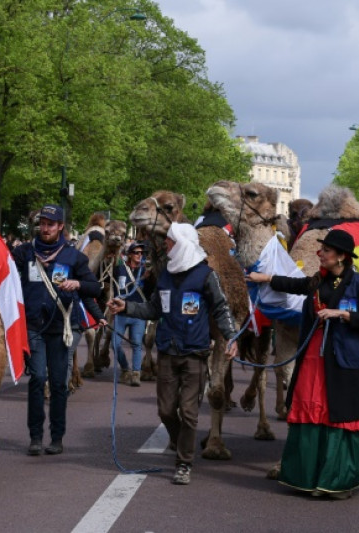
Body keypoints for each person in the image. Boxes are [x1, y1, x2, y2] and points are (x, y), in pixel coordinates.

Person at [246, 229, 359, 499]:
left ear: (341, 256)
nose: (320, 254)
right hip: (314, 357)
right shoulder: (318, 281)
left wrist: (342, 314)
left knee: (339, 414)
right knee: (310, 407)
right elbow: (294, 284)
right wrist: (265, 278)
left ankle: (337, 481)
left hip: (345, 361)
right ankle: (307, 477)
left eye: (326, 251)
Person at [109, 223, 239, 485]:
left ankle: (184, 463)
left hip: (194, 353)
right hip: (168, 351)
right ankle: (182, 443)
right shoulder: (166, 275)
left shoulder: (205, 275)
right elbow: (153, 309)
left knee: (189, 412)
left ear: (181, 243)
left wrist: (231, 336)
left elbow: (221, 307)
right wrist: (126, 307)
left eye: (169, 241)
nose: (165, 246)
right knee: (166, 411)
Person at [13, 204, 101, 456]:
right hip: (34, 326)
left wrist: (78, 283)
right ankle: (35, 437)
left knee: (59, 384)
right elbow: (6, 277)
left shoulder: (73, 257)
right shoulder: (24, 252)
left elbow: (94, 288)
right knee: (37, 378)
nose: (45, 228)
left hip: (62, 327)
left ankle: (57, 437)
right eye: (42, 223)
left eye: (50, 224)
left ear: (61, 226)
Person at [113, 241, 149, 386]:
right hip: (121, 312)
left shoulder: (145, 271)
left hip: (138, 313)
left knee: (136, 343)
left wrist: (148, 277)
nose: (140, 255)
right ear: (129, 254)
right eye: (136, 253)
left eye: (142, 253)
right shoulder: (120, 269)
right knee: (115, 344)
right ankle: (125, 368)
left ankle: (135, 373)